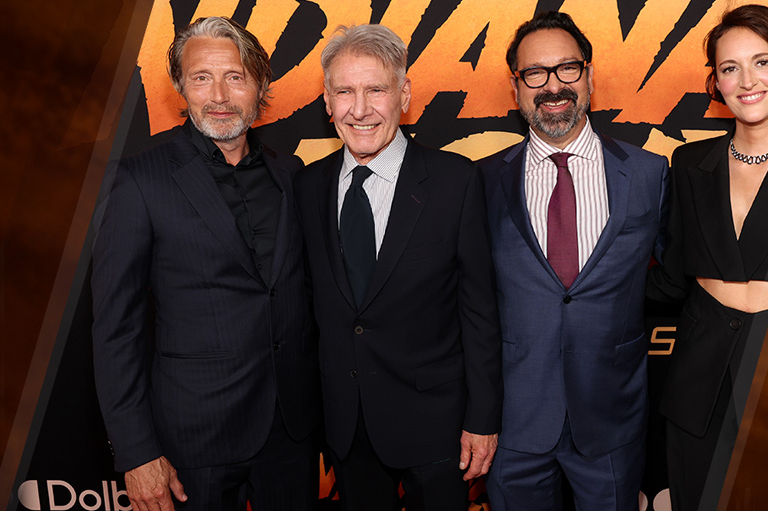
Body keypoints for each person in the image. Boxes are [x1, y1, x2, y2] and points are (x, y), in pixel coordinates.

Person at [92, 16, 320, 511]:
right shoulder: (139, 181)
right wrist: (137, 452)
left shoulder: (291, 173)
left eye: (235, 77)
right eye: (201, 78)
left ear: (259, 85)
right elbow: (117, 330)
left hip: (291, 431)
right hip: (194, 439)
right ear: (181, 86)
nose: (219, 94)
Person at [293, 24, 502, 511]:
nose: (359, 109)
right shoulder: (307, 187)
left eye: (376, 90)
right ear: (327, 100)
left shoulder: (456, 181)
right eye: (344, 91)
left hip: (438, 426)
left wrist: (484, 418)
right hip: (347, 426)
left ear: (403, 95)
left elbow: (480, 313)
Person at [478, 11, 669, 511]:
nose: (553, 86)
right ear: (516, 87)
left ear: (589, 77)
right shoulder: (480, 183)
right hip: (514, 424)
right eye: (535, 74)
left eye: (568, 69)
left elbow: (674, 281)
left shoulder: (650, 174)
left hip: (612, 418)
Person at [646, 5, 768, 510]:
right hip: (699, 376)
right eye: (729, 68)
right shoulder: (688, 163)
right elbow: (674, 274)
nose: (747, 80)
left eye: (761, 61)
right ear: (716, 83)